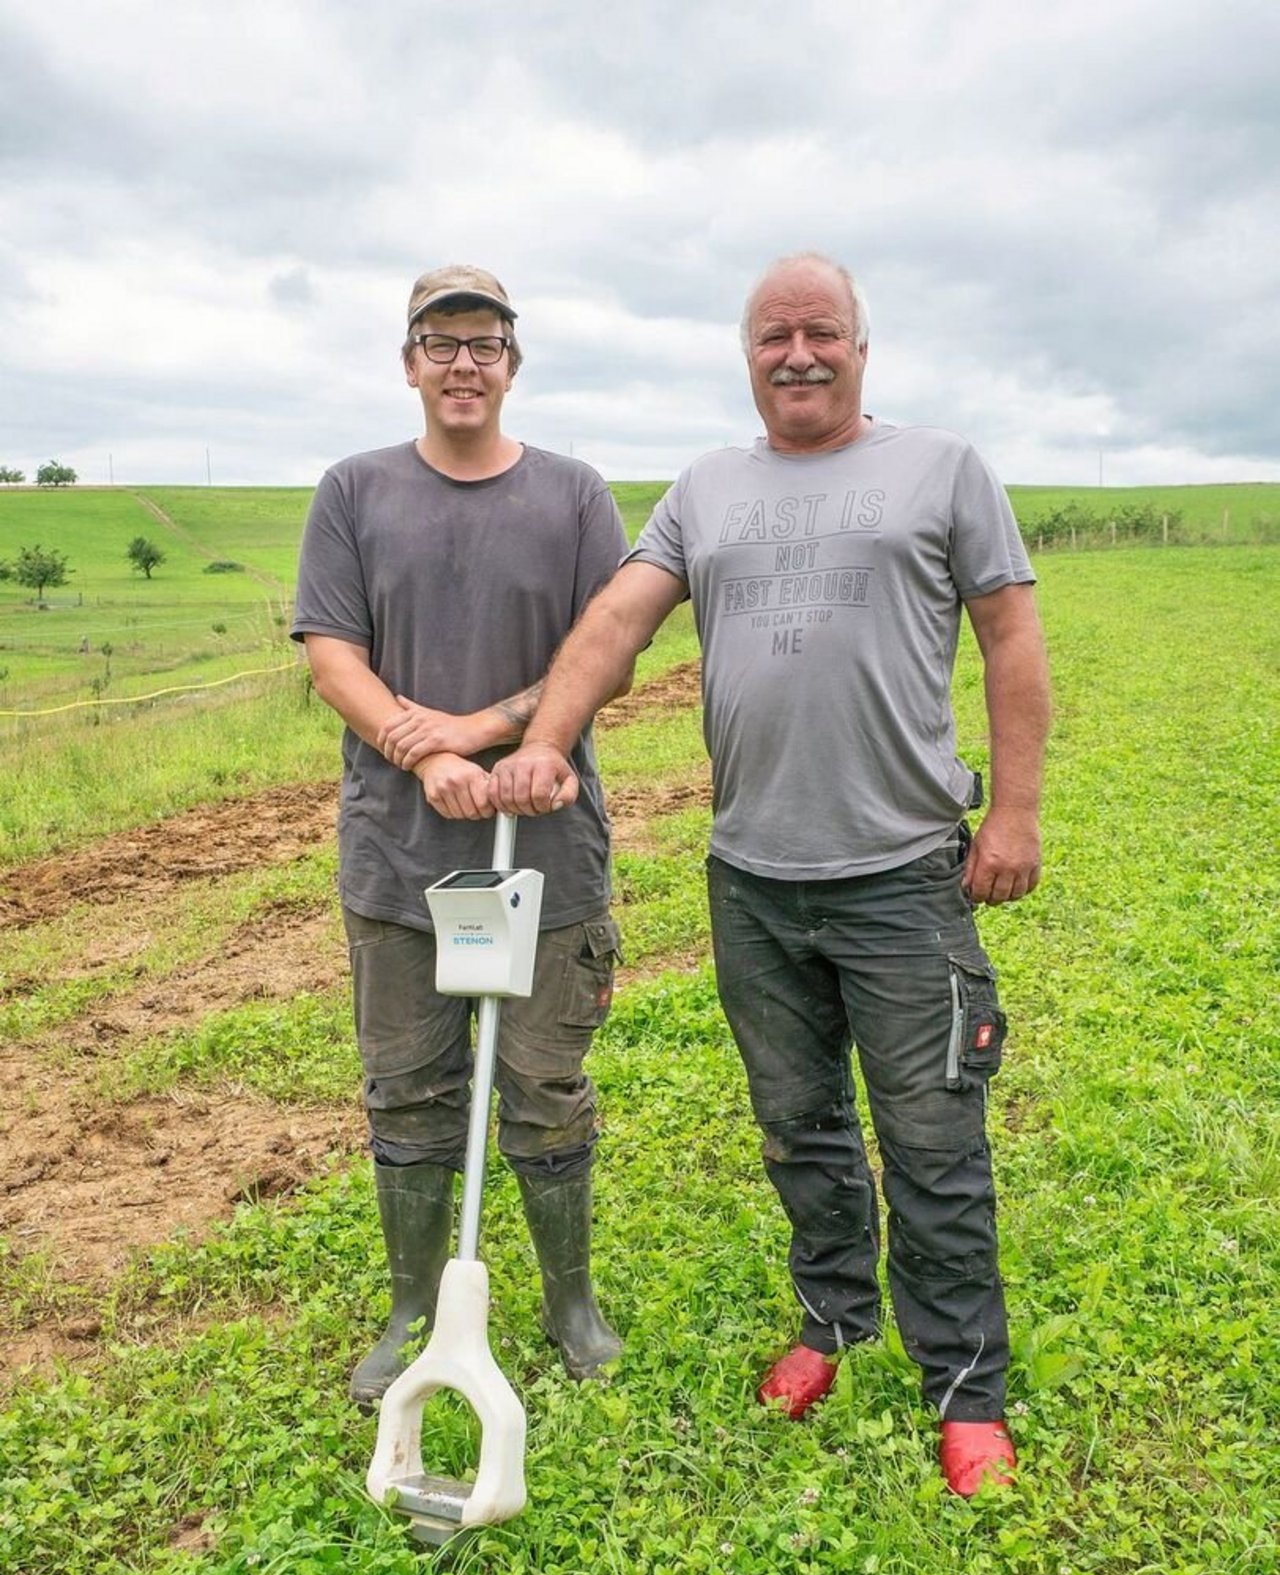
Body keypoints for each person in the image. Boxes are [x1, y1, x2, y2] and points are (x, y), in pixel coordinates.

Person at [491, 252, 1051, 1495]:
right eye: (772, 336)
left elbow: (1010, 632)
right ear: (746, 356)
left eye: (819, 331)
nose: (797, 353)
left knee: (931, 1135)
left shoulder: (941, 467)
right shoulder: (706, 488)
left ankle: (965, 1388)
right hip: (750, 879)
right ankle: (831, 1319)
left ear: (860, 345)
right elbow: (618, 620)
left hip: (901, 874)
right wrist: (545, 740)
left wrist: (1012, 812)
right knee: (798, 1125)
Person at [292, 264, 628, 1408]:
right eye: (440, 343)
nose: (463, 363)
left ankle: (570, 1301)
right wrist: (422, 754)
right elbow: (332, 654)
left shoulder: (574, 497)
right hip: (397, 854)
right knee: (407, 1087)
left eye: (484, 343)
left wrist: (483, 733)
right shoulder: (353, 490)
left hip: (546, 849)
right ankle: (410, 1306)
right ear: (409, 363)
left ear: (511, 364)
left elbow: (605, 651)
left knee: (542, 1080)